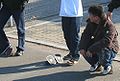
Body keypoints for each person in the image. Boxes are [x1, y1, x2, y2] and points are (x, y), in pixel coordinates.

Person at [79, 5, 119, 75]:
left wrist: (91, 49)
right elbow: (85, 35)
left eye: (90, 15)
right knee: (82, 47)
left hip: (110, 48)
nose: (89, 16)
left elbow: (107, 41)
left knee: (103, 48)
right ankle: (95, 63)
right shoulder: (91, 23)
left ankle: (107, 66)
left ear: (96, 17)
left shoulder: (109, 25)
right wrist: (82, 47)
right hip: (97, 44)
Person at [59, 0, 83, 64]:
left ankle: (75, 56)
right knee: (67, 35)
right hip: (64, 13)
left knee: (74, 36)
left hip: (76, 14)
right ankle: (71, 52)